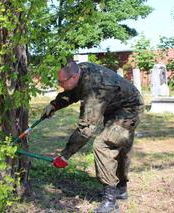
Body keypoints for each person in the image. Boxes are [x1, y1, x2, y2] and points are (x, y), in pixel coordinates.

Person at [42, 61, 144, 213]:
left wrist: (65, 155)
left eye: (62, 82)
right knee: (118, 145)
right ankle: (121, 190)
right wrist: (55, 105)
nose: (60, 85)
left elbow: (86, 128)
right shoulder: (81, 71)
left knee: (104, 144)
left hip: (130, 108)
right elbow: (73, 91)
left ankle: (110, 200)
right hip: (115, 107)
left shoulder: (96, 88)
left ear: (74, 76)